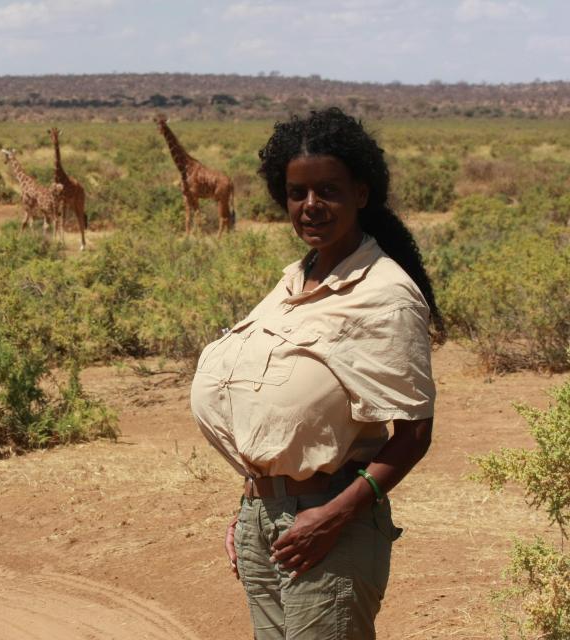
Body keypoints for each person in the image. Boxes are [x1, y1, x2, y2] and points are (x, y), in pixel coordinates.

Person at [190, 107, 443, 639]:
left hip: (331, 524)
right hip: (266, 521)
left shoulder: (384, 294)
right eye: (296, 193)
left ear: (362, 193)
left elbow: (414, 434)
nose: (311, 207)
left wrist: (331, 516)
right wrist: (256, 503)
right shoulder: (294, 281)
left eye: (327, 190)